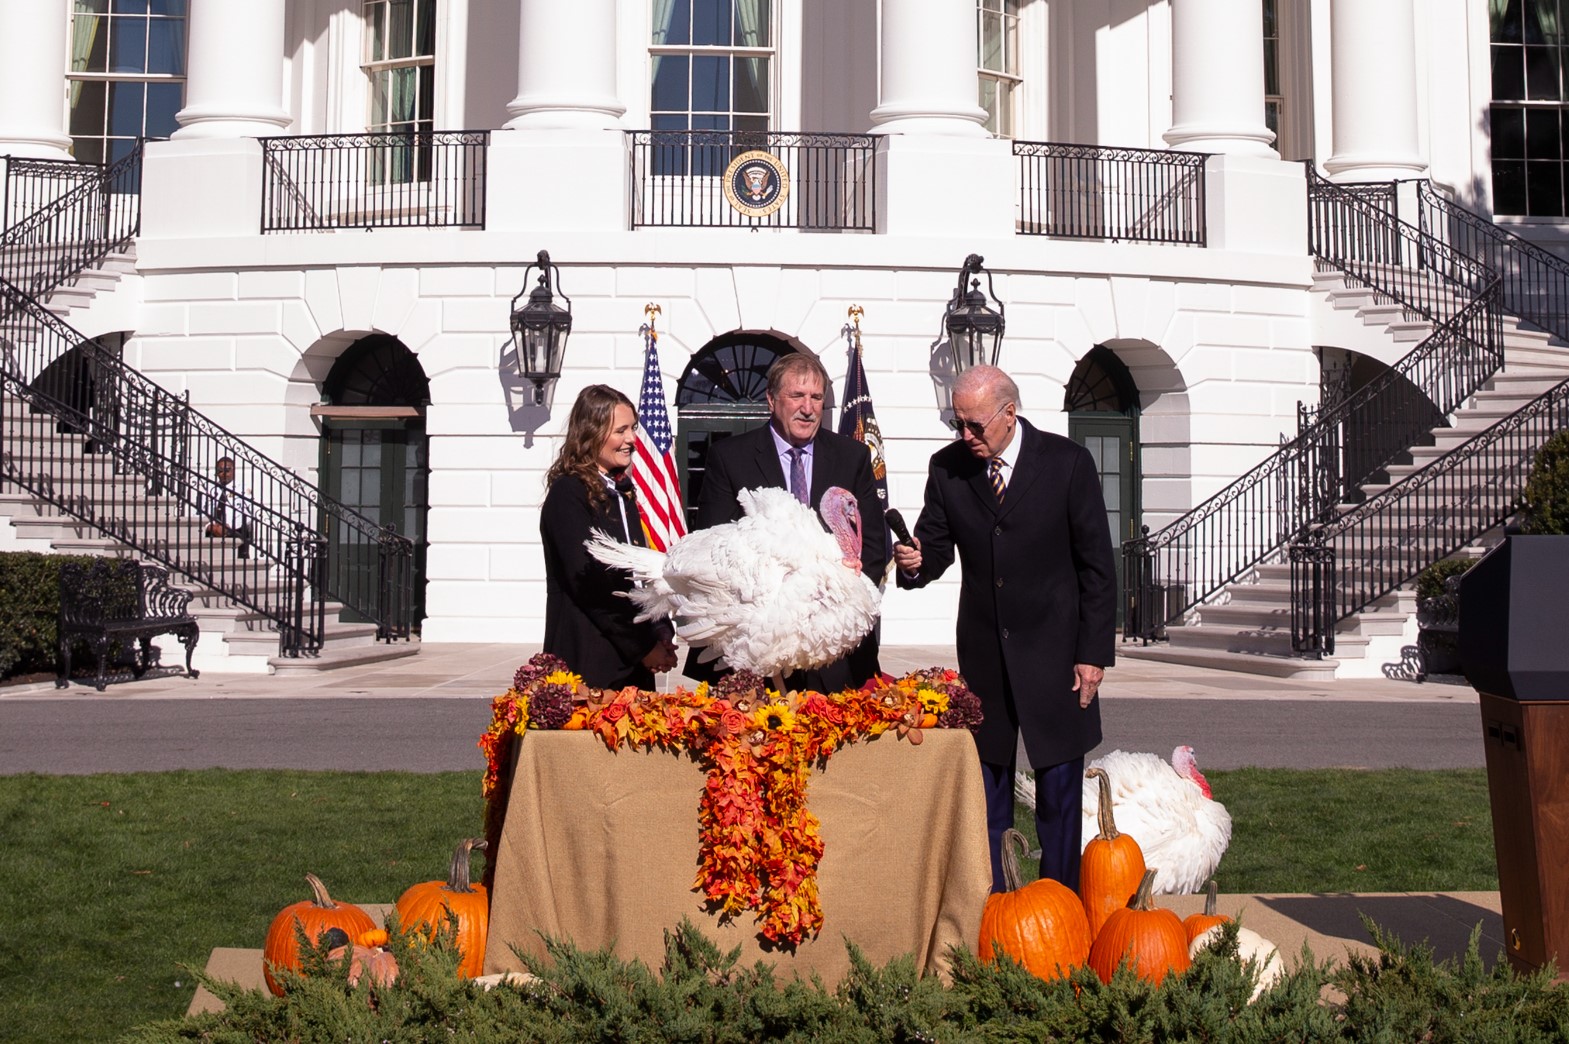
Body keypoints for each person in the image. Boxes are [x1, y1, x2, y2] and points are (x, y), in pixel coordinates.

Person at [892, 365, 1117, 894]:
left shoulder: (1068, 464)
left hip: (1057, 661)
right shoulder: (947, 469)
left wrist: (1092, 654)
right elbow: (935, 548)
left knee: (1059, 805)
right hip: (985, 664)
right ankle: (995, 913)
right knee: (989, 802)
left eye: (975, 425)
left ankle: (1060, 909)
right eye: (958, 422)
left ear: (1009, 414)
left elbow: (1098, 569)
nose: (964, 435)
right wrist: (915, 561)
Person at [687, 352, 886, 693]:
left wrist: (826, 617)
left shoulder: (852, 457)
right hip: (755, 651)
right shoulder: (730, 457)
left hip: (832, 649)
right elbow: (713, 549)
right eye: (797, 396)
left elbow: (872, 548)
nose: (808, 408)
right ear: (771, 399)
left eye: (817, 397)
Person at [541, 384, 678, 689]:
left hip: (631, 661)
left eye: (633, 429)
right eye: (621, 430)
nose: (631, 439)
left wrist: (660, 629)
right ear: (591, 433)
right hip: (590, 664)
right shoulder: (568, 493)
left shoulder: (622, 493)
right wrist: (643, 648)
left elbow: (637, 578)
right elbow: (589, 585)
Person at [203, 456, 252, 560]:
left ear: (234, 470)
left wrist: (229, 528)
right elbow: (202, 512)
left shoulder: (243, 489)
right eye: (220, 471)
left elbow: (249, 515)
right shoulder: (210, 490)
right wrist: (210, 527)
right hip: (214, 533)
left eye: (227, 470)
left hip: (236, 532)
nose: (224, 474)